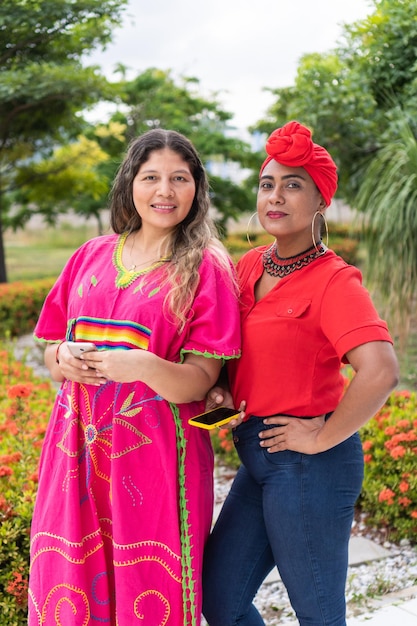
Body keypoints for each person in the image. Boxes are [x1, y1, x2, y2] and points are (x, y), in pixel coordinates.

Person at [28, 129, 241, 626]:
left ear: (197, 189)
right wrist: (61, 355)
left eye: (179, 179)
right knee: (69, 578)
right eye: (151, 177)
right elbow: (49, 350)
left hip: (155, 459)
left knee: (147, 586)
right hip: (75, 448)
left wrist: (141, 365)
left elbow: (199, 381)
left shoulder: (206, 269)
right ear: (130, 185)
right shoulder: (91, 255)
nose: (164, 191)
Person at [202, 121, 399, 626]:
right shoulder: (248, 267)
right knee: (218, 601)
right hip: (258, 457)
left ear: (320, 201)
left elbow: (379, 371)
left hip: (309, 465)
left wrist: (322, 437)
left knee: (316, 612)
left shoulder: (335, 281)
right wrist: (225, 383)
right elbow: (235, 348)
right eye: (268, 184)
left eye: (293, 185)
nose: (275, 196)